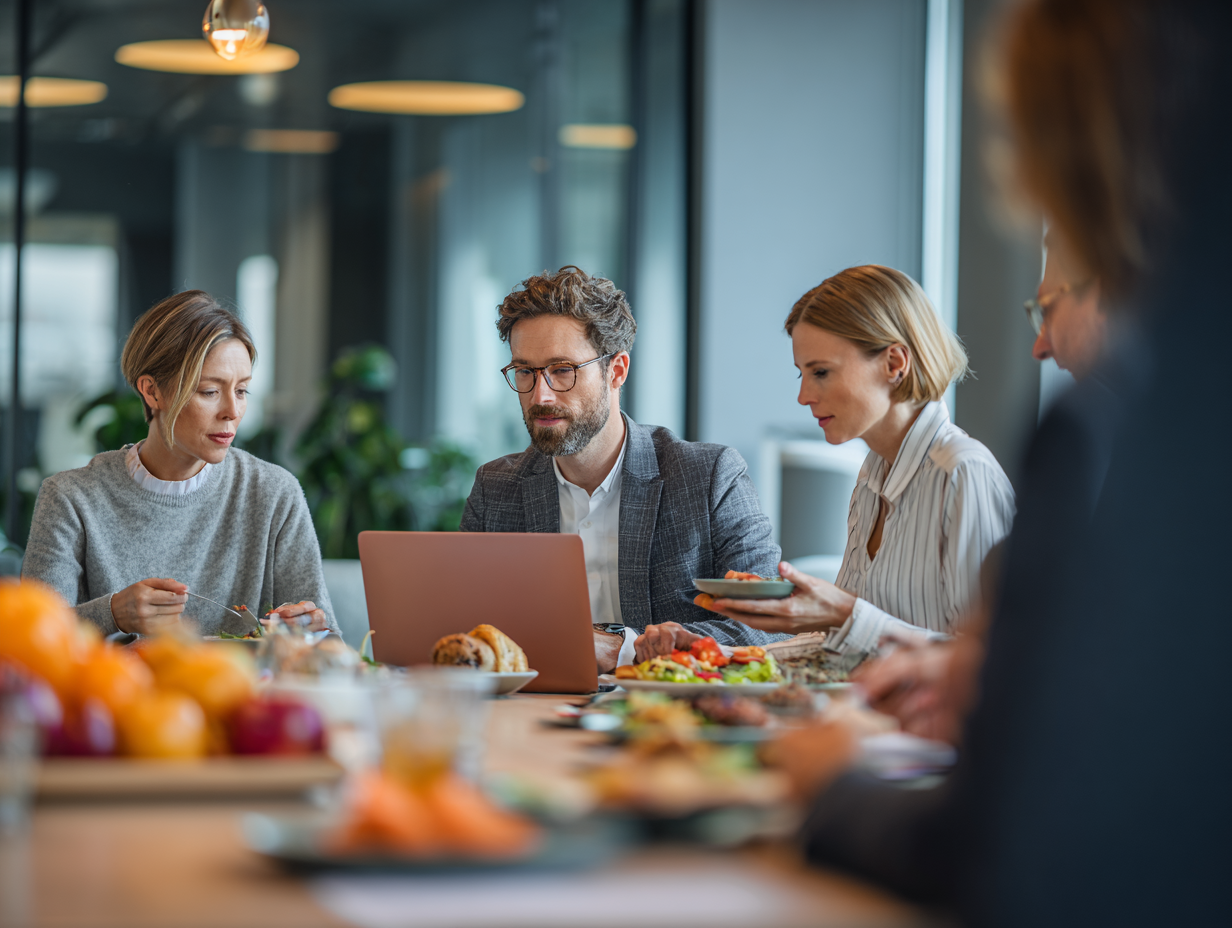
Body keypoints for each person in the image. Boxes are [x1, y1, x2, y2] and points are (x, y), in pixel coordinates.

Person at [792, 1, 1232, 923]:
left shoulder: (1068, 451)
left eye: (821, 373)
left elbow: (993, 845)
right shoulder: (881, 475)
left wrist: (830, 787)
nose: (1037, 348)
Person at [459, 266, 786, 673]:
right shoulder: (496, 489)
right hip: (533, 709)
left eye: (563, 370)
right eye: (525, 371)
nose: (540, 395)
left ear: (616, 371)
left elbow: (769, 628)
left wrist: (622, 649)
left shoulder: (708, 476)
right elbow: (464, 630)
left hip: (666, 715)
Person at [860, 230, 1111, 741]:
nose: (1040, 345)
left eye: (1048, 310)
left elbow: (1010, 668)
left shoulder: (971, 469)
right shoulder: (870, 474)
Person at [690, 266, 1015, 655]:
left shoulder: (963, 473)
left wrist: (843, 612)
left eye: (822, 372)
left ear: (895, 363)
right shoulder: (871, 475)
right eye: (802, 376)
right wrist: (710, 654)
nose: (804, 396)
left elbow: (992, 658)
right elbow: (844, 648)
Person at [23, 290, 336, 637]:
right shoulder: (69, 498)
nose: (232, 411)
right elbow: (30, 641)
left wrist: (309, 631)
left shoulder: (274, 494)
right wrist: (111, 613)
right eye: (209, 391)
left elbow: (329, 647)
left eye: (242, 390)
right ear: (152, 392)